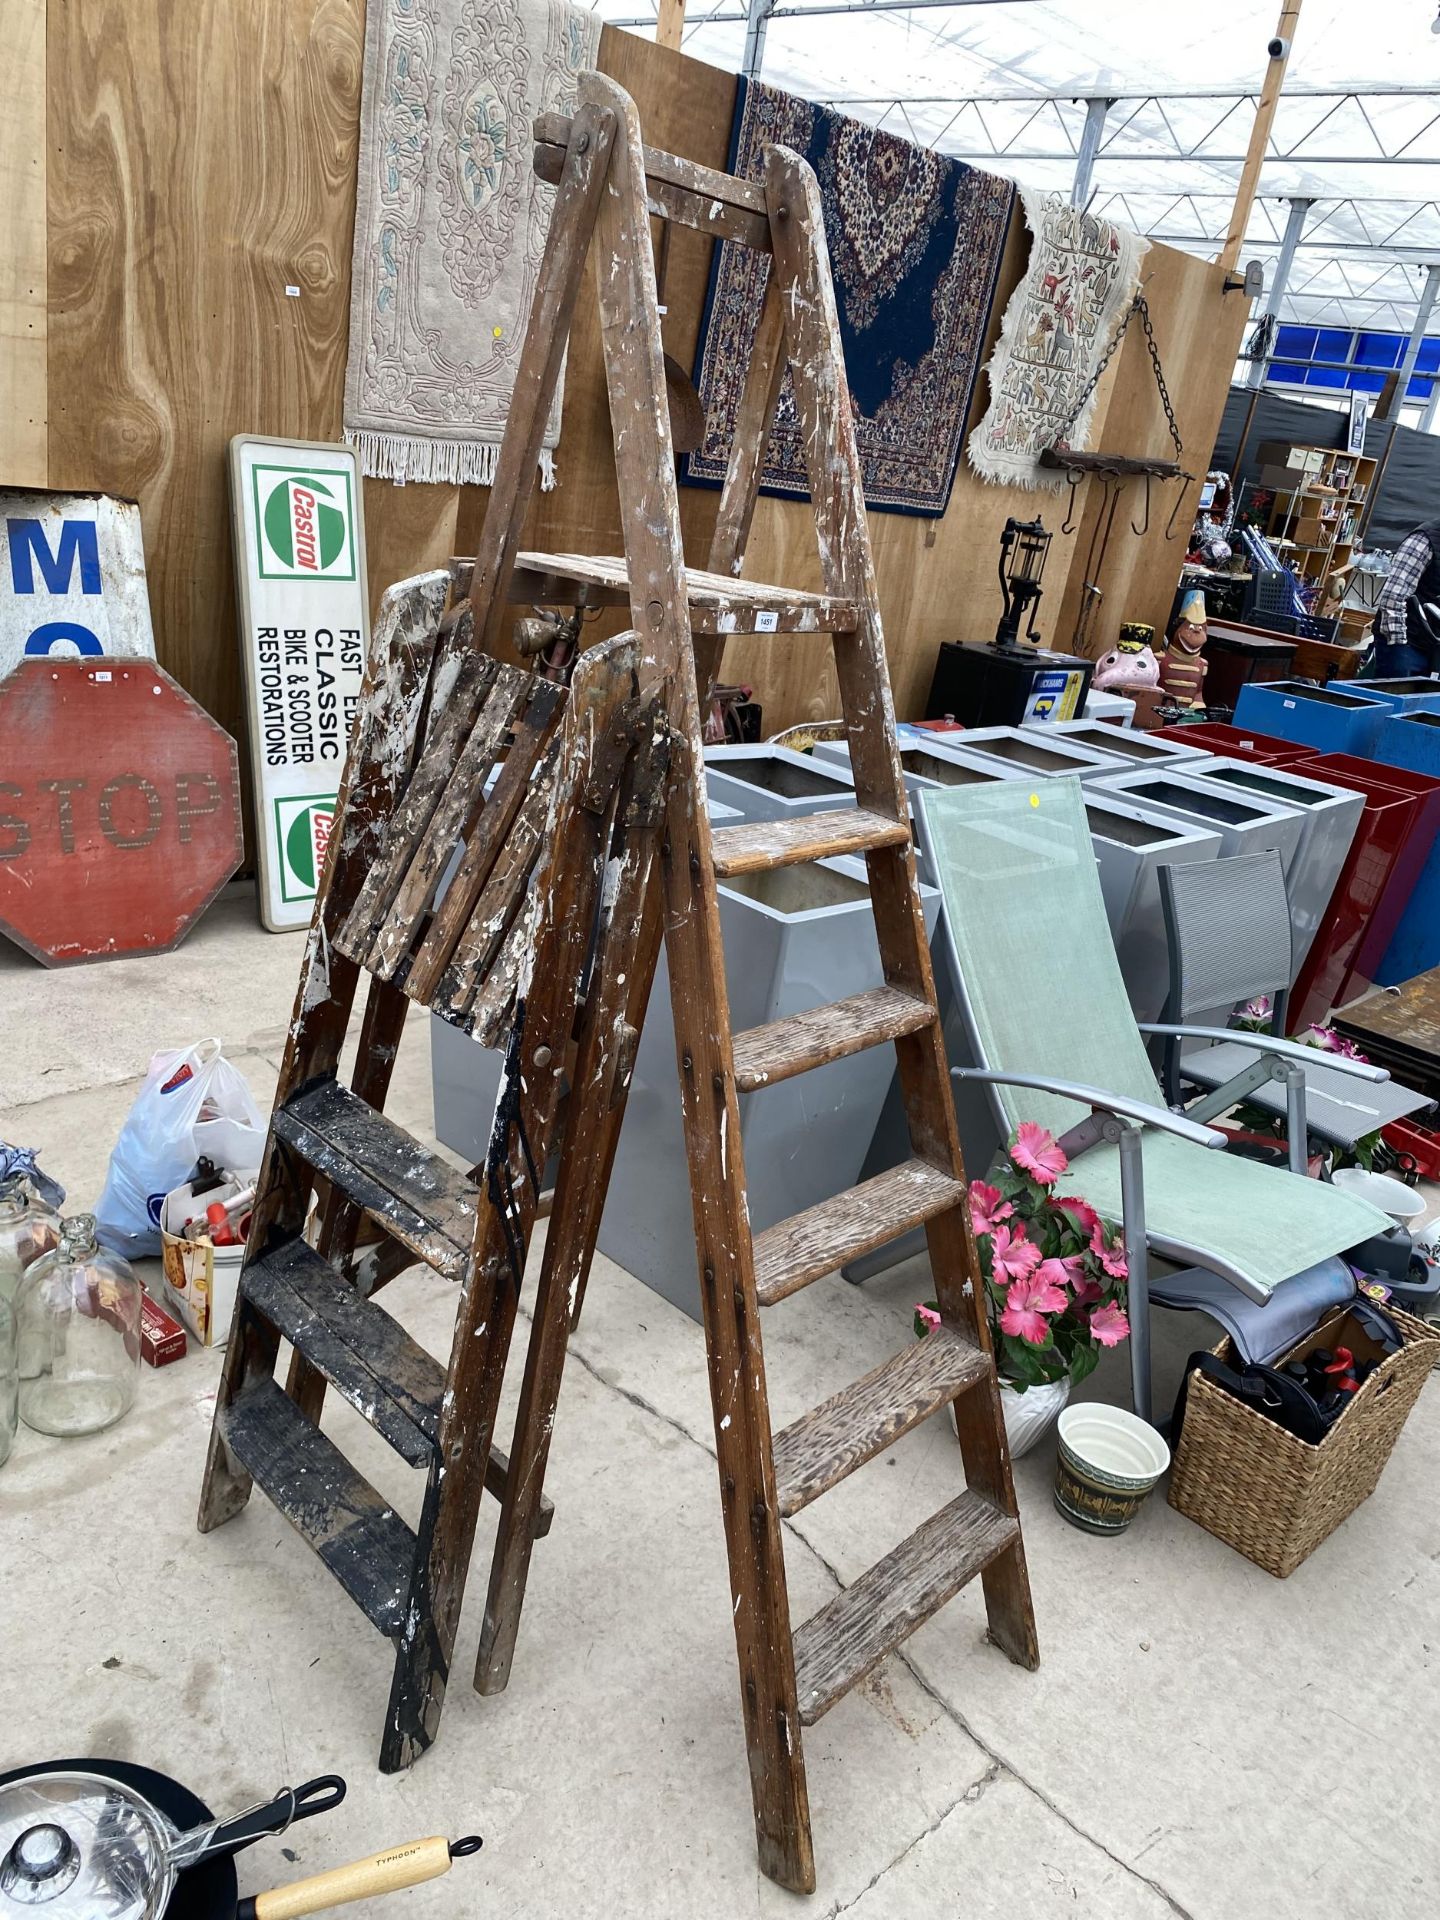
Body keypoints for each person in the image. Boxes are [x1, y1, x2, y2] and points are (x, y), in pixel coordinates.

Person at [1370, 522, 1440, 676]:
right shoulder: (1424, 540)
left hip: (1434, 648)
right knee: (1395, 697)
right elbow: (1393, 597)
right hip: (1408, 643)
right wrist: (1398, 646)